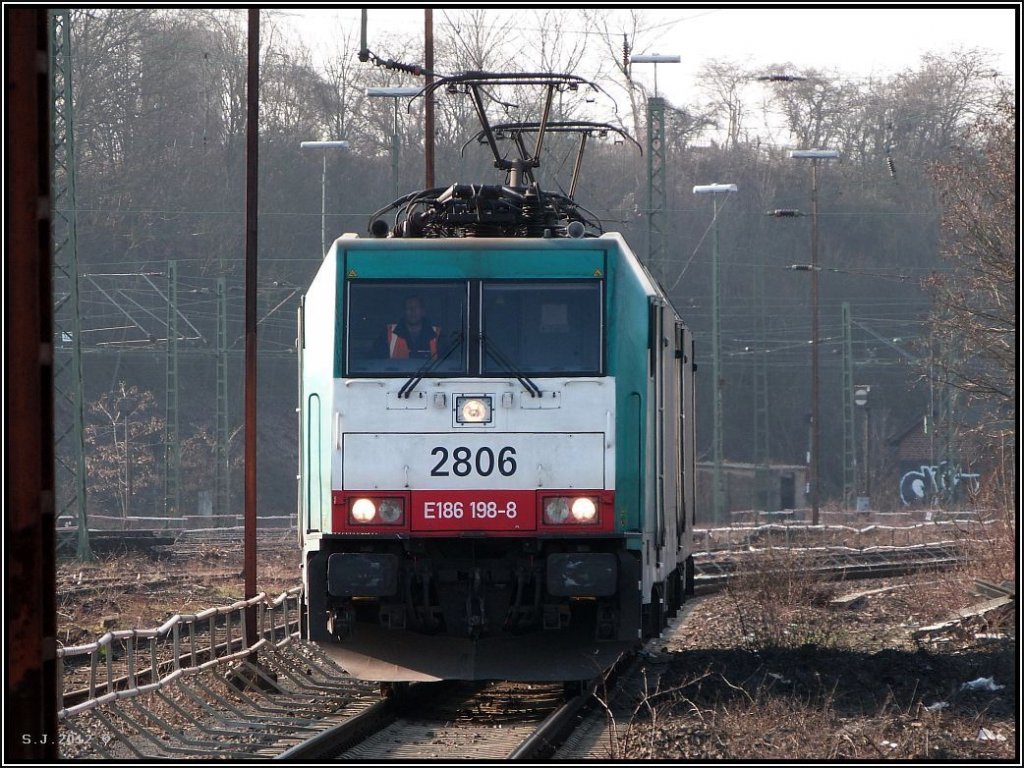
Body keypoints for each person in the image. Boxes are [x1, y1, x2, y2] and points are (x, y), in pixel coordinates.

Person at [384, 295, 441, 360]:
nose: (412, 311)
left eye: (416, 307)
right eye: (408, 307)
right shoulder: (388, 333)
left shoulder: (438, 334)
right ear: (403, 312)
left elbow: (447, 363)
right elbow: (376, 362)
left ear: (423, 311)